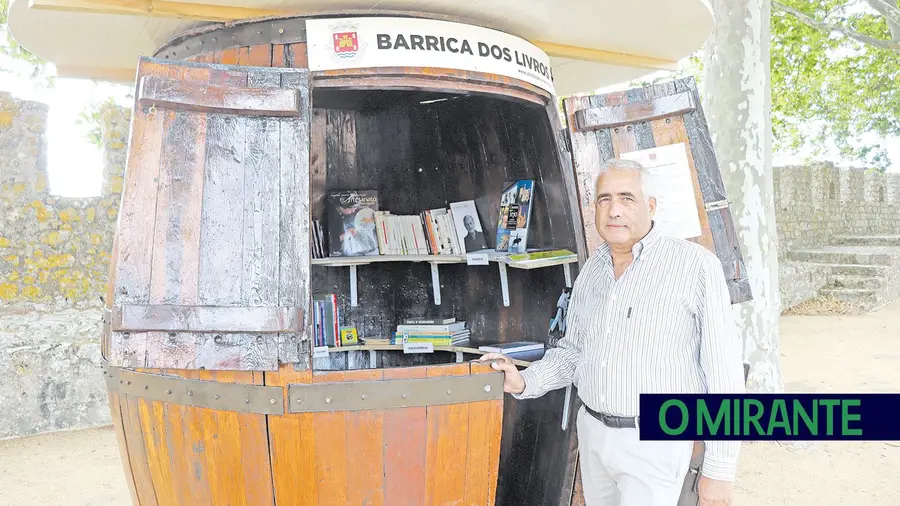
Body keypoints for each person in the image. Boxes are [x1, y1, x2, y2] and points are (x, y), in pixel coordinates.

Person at [479, 158, 745, 506]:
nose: (614, 210)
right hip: (593, 432)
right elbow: (573, 353)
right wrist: (525, 381)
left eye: (627, 198)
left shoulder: (694, 266)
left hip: (656, 439)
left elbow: (723, 372)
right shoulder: (592, 269)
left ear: (650, 206)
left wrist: (720, 469)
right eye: (604, 199)